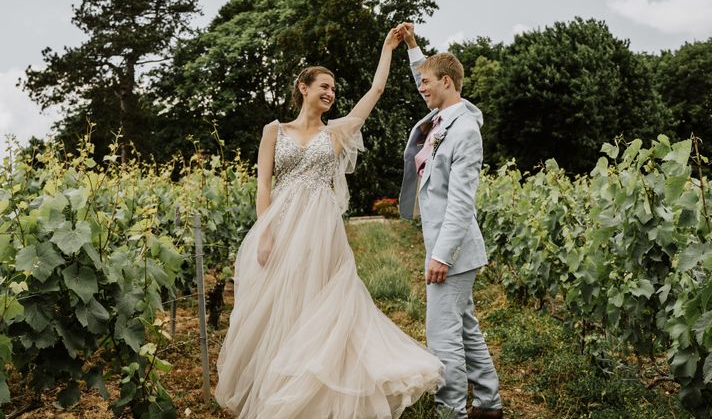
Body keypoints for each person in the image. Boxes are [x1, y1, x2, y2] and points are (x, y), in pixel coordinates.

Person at [214, 26, 444, 418]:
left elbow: (375, 93)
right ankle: (276, 383)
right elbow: (263, 186)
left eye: (334, 89)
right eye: (323, 85)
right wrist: (265, 233)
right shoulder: (274, 130)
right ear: (303, 87)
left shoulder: (336, 133)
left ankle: (317, 387)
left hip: (321, 231)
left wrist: (388, 48)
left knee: (319, 303)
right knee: (277, 306)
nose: (330, 92)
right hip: (281, 225)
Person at [397, 23, 504, 419]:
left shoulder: (464, 131)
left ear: (446, 82)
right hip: (449, 247)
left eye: (426, 83)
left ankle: (452, 410)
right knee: (466, 328)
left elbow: (461, 202)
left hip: (453, 250)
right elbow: (423, 73)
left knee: (444, 336)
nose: (420, 87)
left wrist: (441, 256)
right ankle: (490, 404)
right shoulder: (444, 115)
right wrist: (410, 44)